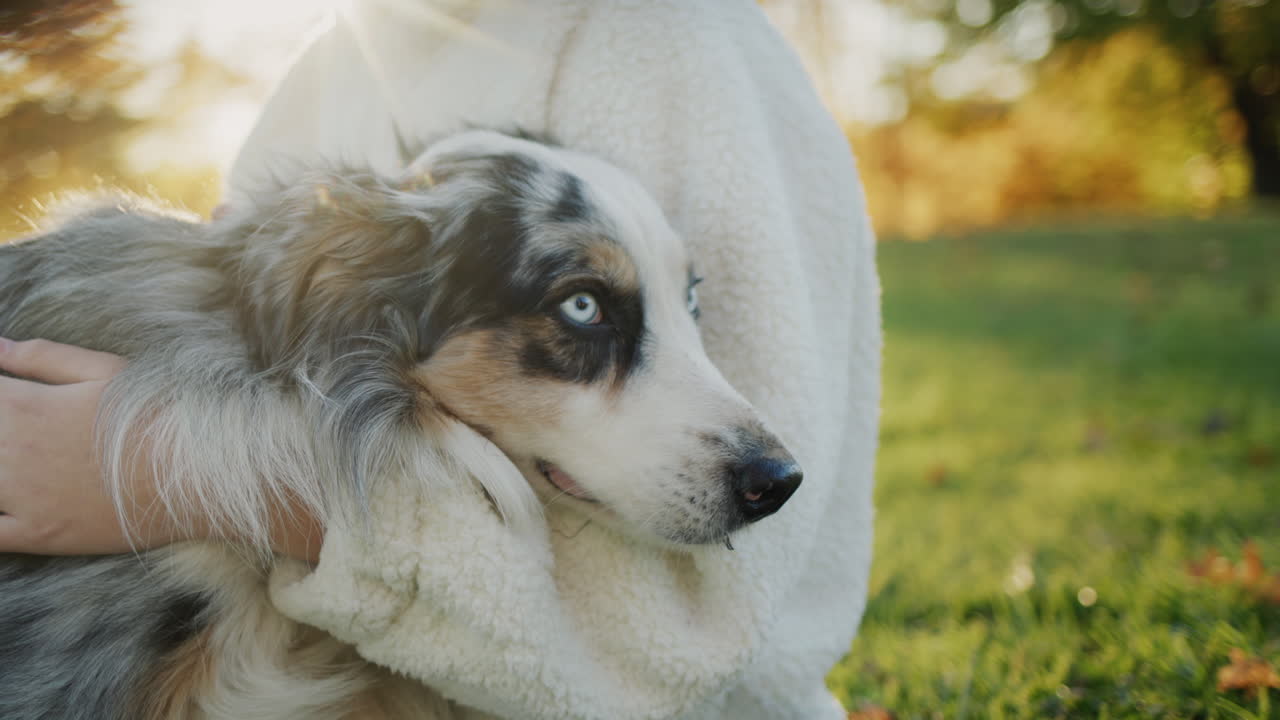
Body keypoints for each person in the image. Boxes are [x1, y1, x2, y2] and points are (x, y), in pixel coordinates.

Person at [0, 1, 881, 717]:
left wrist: (178, 473)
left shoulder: (681, 43)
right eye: (585, 307)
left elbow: (692, 639)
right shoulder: (329, 62)